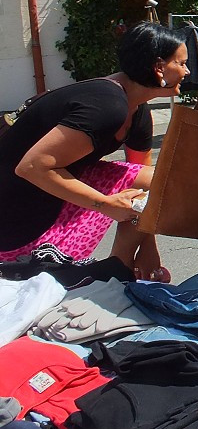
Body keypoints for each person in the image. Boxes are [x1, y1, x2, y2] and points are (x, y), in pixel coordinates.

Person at [0, 23, 186, 279]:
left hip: (45, 194)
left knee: (158, 179)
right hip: (14, 219)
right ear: (158, 67)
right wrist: (105, 204)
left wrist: (148, 247)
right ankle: (109, 271)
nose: (187, 71)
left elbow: (145, 191)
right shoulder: (107, 105)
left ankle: (119, 268)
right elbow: (31, 166)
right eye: (181, 63)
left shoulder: (136, 108)